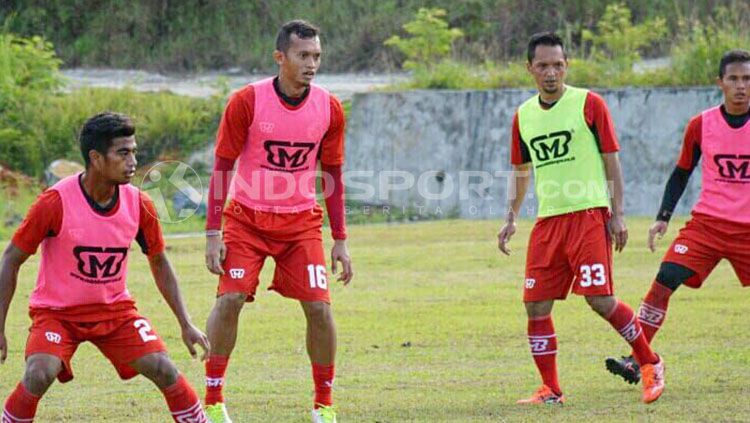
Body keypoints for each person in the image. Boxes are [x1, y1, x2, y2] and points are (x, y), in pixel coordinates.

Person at [0, 112, 209, 422]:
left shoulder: (139, 204)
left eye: (134, 151)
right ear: (96, 158)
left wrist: (185, 322)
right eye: (123, 153)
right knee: (38, 373)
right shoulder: (54, 202)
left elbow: (159, 262)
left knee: (163, 367)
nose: (133, 161)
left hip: (115, 313)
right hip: (58, 315)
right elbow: (11, 260)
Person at [497, 32, 665, 405]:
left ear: (566, 65)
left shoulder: (589, 104)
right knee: (535, 305)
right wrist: (511, 217)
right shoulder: (523, 116)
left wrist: (617, 213)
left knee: (600, 300)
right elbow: (521, 170)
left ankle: (650, 363)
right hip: (548, 221)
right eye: (542, 66)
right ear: (530, 69)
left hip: (588, 215)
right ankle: (551, 390)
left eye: (558, 64)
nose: (551, 72)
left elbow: (611, 159)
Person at [202, 20, 352, 423]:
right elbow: (222, 167)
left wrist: (340, 239)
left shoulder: (329, 107)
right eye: (304, 55)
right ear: (280, 57)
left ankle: (324, 405)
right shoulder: (246, 101)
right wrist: (213, 232)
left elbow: (332, 175)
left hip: (300, 224)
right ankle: (213, 400)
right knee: (229, 299)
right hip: (246, 221)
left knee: (319, 309)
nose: (312, 64)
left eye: (317, 56)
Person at [605, 49, 750, 385]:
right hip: (709, 225)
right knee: (666, 276)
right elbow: (682, 171)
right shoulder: (701, 124)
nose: (741, 86)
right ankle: (637, 358)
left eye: (747, 79)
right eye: (734, 79)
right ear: (720, 83)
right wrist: (663, 217)